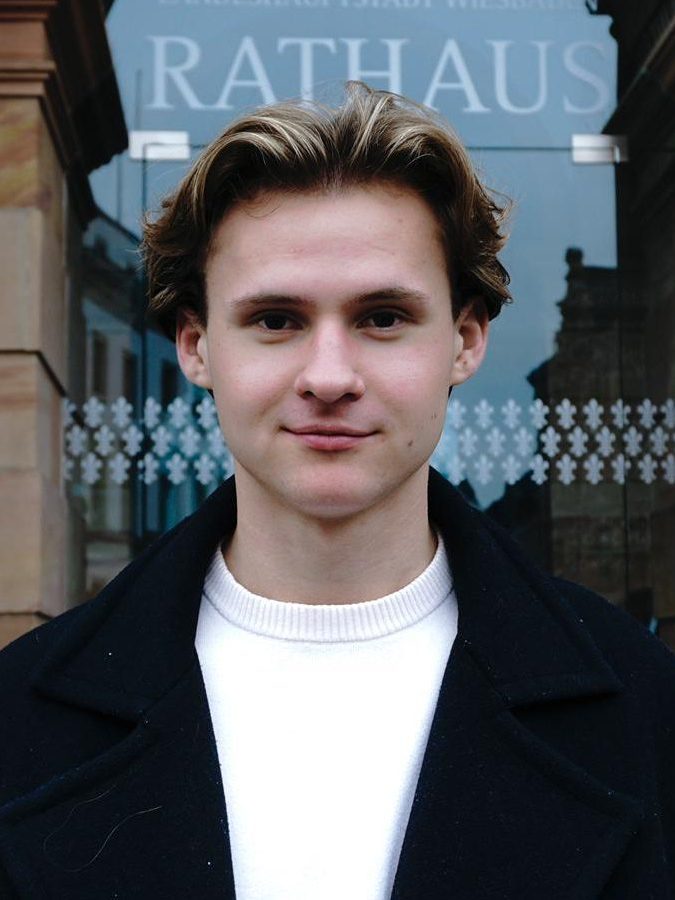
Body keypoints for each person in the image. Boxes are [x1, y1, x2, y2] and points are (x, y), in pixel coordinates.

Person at [0, 81, 673, 900]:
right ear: (196, 345)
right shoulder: (20, 715)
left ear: (464, 341)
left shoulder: (643, 705)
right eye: (275, 320)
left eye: (382, 317)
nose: (327, 377)